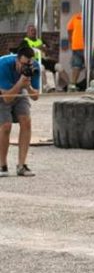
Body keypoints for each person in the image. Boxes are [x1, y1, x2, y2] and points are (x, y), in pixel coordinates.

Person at [0, 45, 39, 177]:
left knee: (26, 121)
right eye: (23, 64)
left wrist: (28, 87)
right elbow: (7, 99)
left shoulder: (34, 67)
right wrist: (20, 83)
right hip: (3, 91)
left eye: (28, 64)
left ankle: (22, 165)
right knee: (6, 125)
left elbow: (35, 97)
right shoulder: (3, 65)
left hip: (20, 88)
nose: (25, 68)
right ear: (17, 60)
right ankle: (2, 166)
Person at [23, 24, 56, 90]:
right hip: (32, 61)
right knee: (42, 68)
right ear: (27, 33)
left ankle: (65, 86)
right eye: (32, 30)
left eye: (34, 31)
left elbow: (49, 50)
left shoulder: (40, 40)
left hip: (43, 59)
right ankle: (46, 87)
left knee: (59, 66)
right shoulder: (25, 41)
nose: (33, 32)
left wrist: (46, 49)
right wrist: (38, 47)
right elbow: (26, 52)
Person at [66, 12, 85, 91]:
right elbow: (69, 29)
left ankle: (92, 84)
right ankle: (73, 85)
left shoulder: (91, 17)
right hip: (77, 47)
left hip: (88, 47)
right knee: (76, 66)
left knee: (91, 66)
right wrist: (71, 42)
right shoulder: (76, 17)